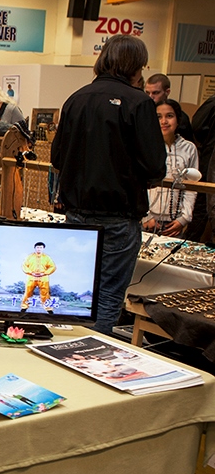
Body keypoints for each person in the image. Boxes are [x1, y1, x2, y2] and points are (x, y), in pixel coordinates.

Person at [51, 34, 166, 335]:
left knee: (74, 293)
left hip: (76, 215)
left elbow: (57, 157)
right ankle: (91, 358)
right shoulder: (139, 103)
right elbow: (154, 165)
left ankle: (64, 351)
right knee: (109, 296)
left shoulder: (75, 99)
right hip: (119, 217)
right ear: (134, 66)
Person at [142, 99, 198, 238]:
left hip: (174, 223)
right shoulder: (145, 145)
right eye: (159, 117)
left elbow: (192, 187)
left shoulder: (189, 148)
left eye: (169, 116)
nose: (164, 121)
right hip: (148, 221)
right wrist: (145, 217)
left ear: (178, 120)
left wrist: (183, 219)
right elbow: (137, 185)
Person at [144, 73, 194, 143]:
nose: (150, 97)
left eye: (155, 93)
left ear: (167, 92)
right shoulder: (143, 113)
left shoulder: (180, 117)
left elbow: (185, 144)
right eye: (147, 93)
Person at [20, 242, 56, 313]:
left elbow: (52, 266)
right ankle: (24, 307)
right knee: (28, 292)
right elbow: (24, 265)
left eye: (41, 247)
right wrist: (31, 272)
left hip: (43, 278)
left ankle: (48, 309)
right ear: (35, 248)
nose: (39, 249)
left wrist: (44, 273)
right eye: (38, 247)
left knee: (45, 293)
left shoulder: (47, 257)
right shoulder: (29, 256)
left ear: (43, 249)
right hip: (31, 277)